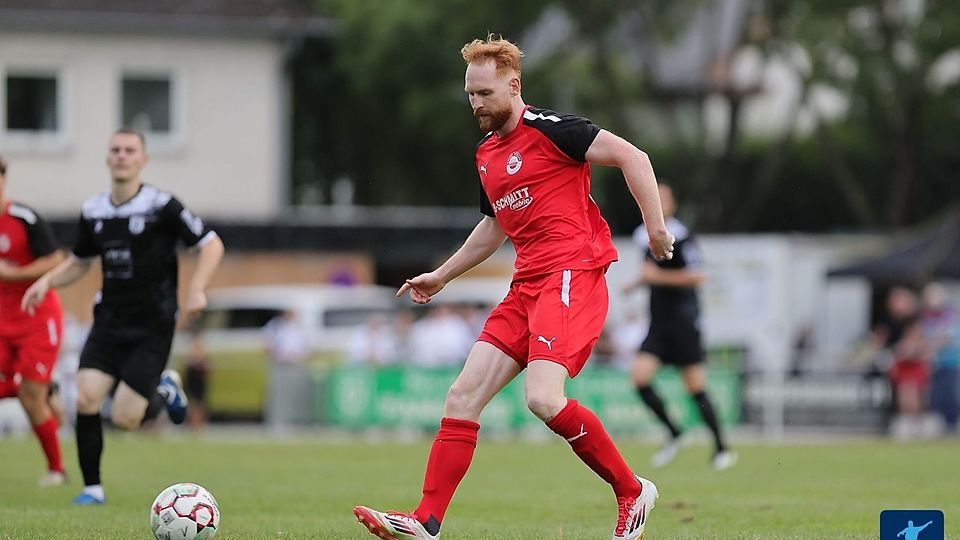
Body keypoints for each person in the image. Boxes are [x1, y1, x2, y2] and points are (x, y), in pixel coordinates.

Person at [353, 34, 675, 540]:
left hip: (572, 273)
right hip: (526, 284)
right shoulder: (486, 154)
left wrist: (654, 229)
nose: (476, 103)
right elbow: (493, 227)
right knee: (461, 396)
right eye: (470, 95)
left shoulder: (554, 130)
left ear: (513, 85)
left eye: (484, 93)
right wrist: (442, 275)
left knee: (543, 399)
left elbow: (634, 156)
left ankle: (631, 491)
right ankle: (426, 520)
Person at [22, 129, 225, 505]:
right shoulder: (94, 211)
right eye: (115, 149)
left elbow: (211, 244)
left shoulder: (163, 206)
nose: (122, 155)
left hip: (153, 323)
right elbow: (80, 262)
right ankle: (92, 489)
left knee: (127, 418)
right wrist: (46, 281)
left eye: (130, 150)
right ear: (107, 158)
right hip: (109, 322)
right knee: (85, 397)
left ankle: (164, 389)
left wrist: (197, 287)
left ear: (143, 160)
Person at [623, 184, 736, 471]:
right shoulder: (644, 236)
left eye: (662, 199)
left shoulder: (682, 237)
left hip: (684, 322)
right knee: (639, 378)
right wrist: (636, 284)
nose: (656, 204)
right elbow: (651, 274)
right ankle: (675, 433)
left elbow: (697, 276)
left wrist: (655, 278)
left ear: (672, 205)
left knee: (695, 387)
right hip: (658, 324)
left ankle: (722, 448)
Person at [0, 154, 68, 486]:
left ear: (3, 181)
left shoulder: (24, 218)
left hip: (37, 318)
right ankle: (45, 390)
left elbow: (58, 260)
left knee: (30, 398)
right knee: (32, 393)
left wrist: (14, 274)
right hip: (1, 322)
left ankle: (57, 470)